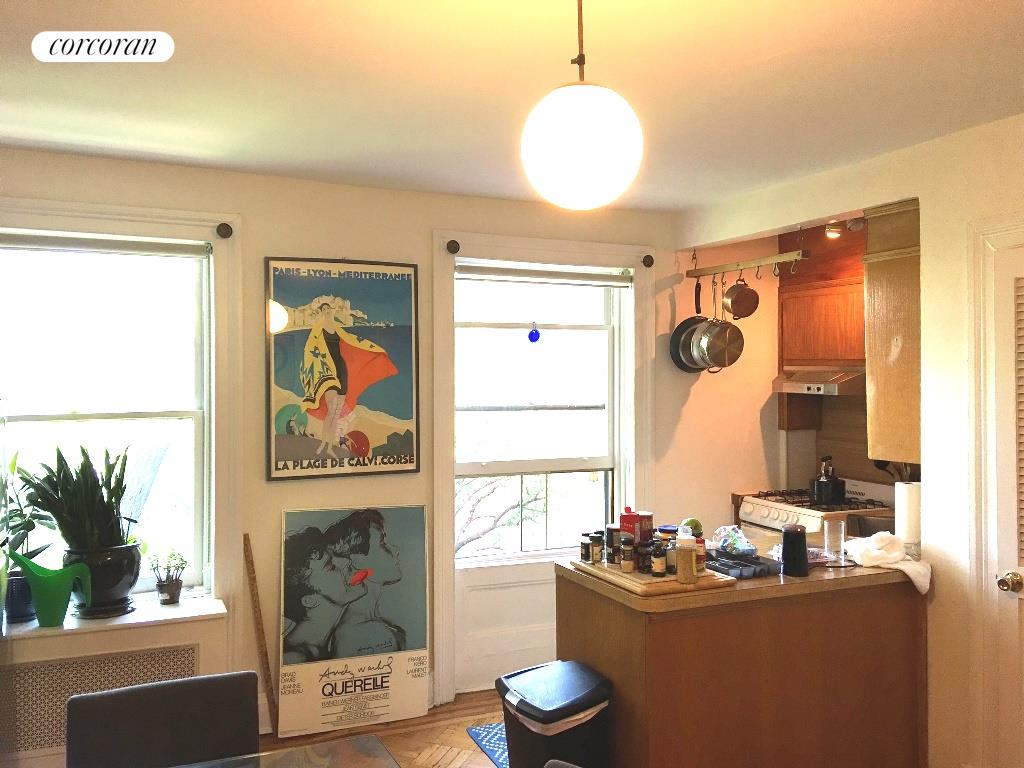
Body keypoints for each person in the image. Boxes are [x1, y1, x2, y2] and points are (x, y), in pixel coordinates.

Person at [299, 299, 398, 459]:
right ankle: (323, 443)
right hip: (328, 372)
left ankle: (330, 446)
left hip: (341, 369)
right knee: (331, 410)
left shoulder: (338, 329)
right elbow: (309, 351)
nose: (327, 311)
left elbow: (354, 341)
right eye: (324, 309)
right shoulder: (317, 330)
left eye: (329, 308)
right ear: (321, 312)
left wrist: (374, 349)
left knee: (336, 413)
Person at [323, 509, 406, 658]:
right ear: (357, 560)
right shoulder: (364, 633)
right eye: (382, 543)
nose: (395, 549)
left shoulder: (366, 625)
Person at [281, 526, 367, 665]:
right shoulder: (294, 658)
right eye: (330, 566)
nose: (347, 561)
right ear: (309, 601)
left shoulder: (321, 648)